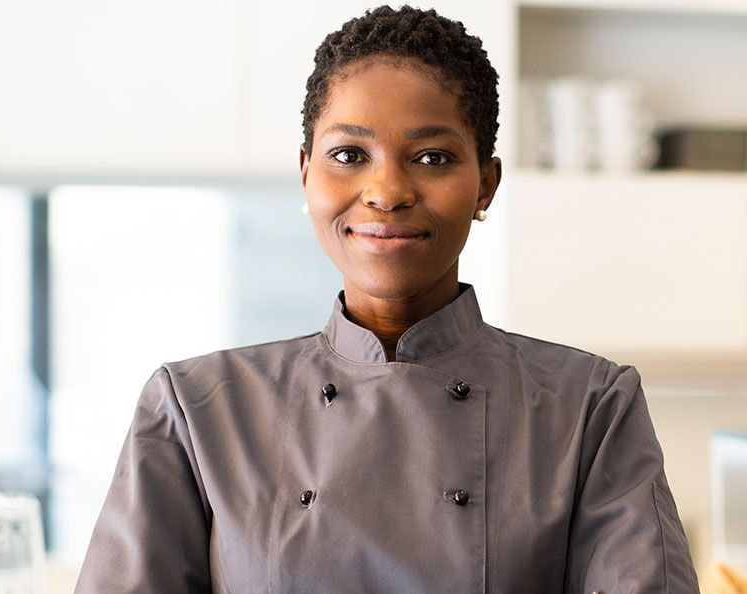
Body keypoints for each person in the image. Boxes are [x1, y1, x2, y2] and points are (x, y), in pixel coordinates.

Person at [75, 5, 699, 593]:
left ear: (486, 183)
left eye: (432, 157)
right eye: (349, 155)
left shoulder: (590, 408)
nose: (386, 190)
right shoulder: (195, 411)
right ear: (306, 173)